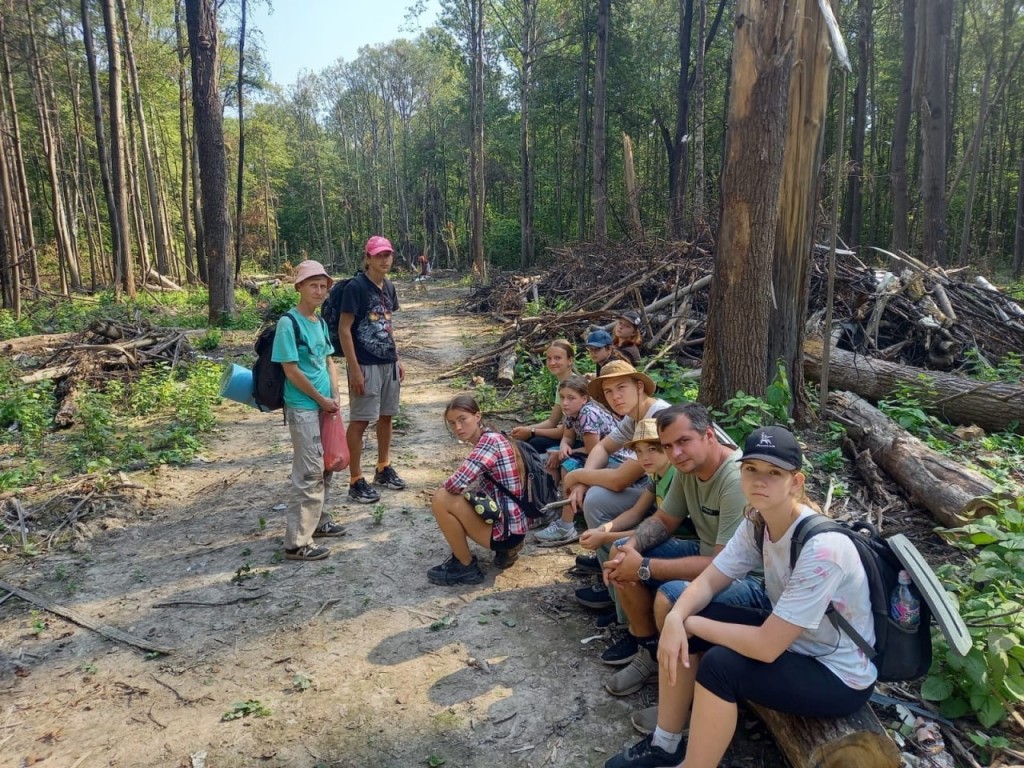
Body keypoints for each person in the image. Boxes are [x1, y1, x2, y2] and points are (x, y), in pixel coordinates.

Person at [604, 426, 875, 768]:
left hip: (837, 673)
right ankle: (666, 743)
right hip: (798, 643)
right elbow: (710, 580)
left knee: (720, 667)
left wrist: (689, 621)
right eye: (751, 470)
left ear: (796, 481)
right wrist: (675, 618)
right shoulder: (758, 522)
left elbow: (766, 646)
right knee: (684, 614)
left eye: (773, 473)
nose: (759, 481)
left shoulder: (822, 549)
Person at [599, 403, 768, 700]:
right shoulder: (686, 470)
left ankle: (682, 700)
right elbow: (664, 520)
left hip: (750, 581)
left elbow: (723, 565)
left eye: (683, 441)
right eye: (668, 446)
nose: (675, 453)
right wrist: (632, 550)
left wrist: (644, 566)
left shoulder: (734, 479)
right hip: (711, 558)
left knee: (670, 596)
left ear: (709, 436)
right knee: (622, 551)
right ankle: (651, 654)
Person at [562, 360, 671, 622]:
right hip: (658, 492)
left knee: (600, 500)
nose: (615, 396)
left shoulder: (657, 417)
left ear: (640, 386)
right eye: (608, 392)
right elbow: (602, 448)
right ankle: (612, 583)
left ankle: (622, 603)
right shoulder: (633, 417)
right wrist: (582, 483)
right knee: (597, 497)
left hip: (680, 504)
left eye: (621, 387)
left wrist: (577, 475)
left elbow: (620, 480)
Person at [271, 260, 348, 562]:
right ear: (299, 287)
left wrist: (336, 394)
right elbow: (291, 370)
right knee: (309, 472)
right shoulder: (288, 323)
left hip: (326, 406)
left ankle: (320, 521)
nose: (318, 290)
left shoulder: (319, 323)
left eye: (323, 286)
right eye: (312, 285)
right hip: (304, 407)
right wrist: (319, 398)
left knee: (327, 464)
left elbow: (329, 361)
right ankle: (297, 543)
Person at [576, 418, 675, 625]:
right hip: (656, 530)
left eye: (651, 449)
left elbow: (663, 529)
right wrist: (603, 529)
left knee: (619, 550)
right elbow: (635, 513)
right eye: (638, 452)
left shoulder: (676, 477)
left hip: (677, 538)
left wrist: (606, 536)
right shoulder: (655, 475)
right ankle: (621, 609)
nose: (644, 457)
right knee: (606, 541)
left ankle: (634, 627)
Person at [428, 394, 529, 586]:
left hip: (507, 531)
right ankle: (506, 552)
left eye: (462, 419)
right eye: (452, 423)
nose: (457, 427)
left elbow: (454, 485)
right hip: (515, 527)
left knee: (441, 499)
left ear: (477, 416)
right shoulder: (494, 436)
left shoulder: (489, 442)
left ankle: (465, 567)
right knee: (458, 496)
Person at [338, 235, 406, 504]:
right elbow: (345, 330)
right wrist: (354, 369)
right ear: (367, 258)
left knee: (387, 415)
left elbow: (387, 326)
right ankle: (355, 479)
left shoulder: (388, 286)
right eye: (379, 255)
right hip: (365, 364)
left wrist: (397, 358)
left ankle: (383, 467)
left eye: (388, 254)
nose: (385, 259)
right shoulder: (356, 287)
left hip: (387, 362)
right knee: (361, 420)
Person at [534, 375, 619, 547]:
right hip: (596, 453)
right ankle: (548, 510)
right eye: (563, 397)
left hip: (615, 458)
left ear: (584, 399)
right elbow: (567, 436)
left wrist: (565, 453)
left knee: (569, 468)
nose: (565, 402)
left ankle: (566, 525)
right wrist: (563, 447)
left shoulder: (588, 413)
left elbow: (593, 450)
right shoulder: (571, 413)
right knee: (551, 462)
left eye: (571, 398)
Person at [509, 339, 576, 453]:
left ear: (570, 360)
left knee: (534, 443)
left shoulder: (575, 386)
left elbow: (567, 432)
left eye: (558, 358)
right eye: (549, 358)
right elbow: (552, 422)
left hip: (578, 440)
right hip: (567, 435)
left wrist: (532, 431)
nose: (552, 362)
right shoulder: (561, 385)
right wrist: (526, 429)